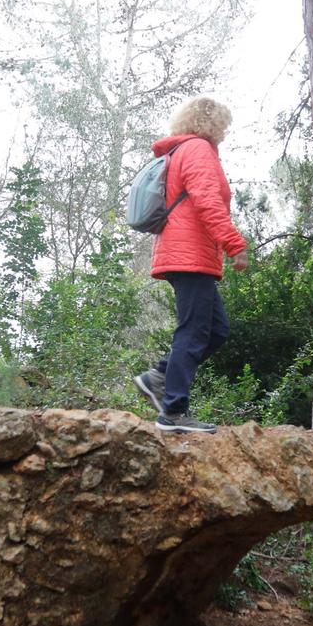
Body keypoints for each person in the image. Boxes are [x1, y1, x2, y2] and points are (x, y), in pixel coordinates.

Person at [132, 97, 248, 434]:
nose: (224, 133)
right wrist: (234, 243)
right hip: (190, 254)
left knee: (215, 330)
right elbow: (208, 202)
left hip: (186, 253)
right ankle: (173, 411)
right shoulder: (198, 150)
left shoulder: (180, 150)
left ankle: (158, 376)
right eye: (223, 125)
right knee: (194, 331)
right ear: (212, 123)